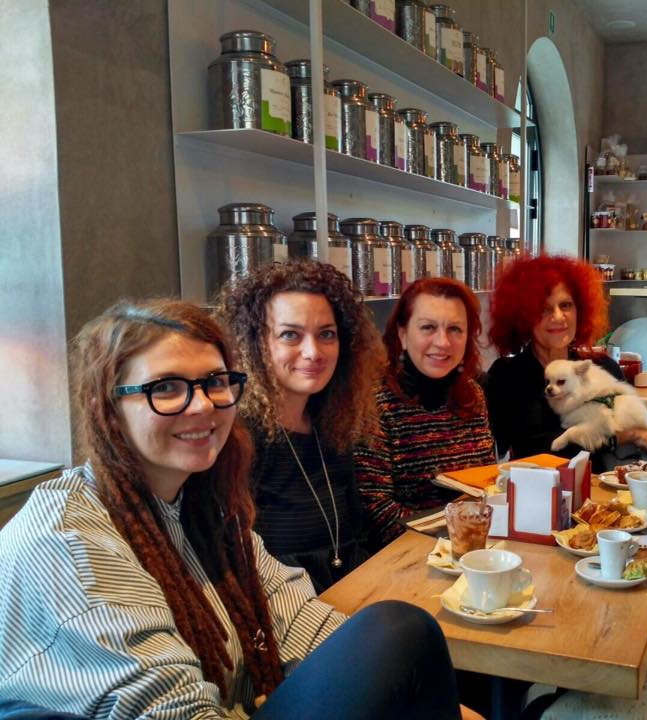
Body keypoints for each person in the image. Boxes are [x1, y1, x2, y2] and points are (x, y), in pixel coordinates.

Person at [0, 299, 466, 719]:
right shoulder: (68, 541)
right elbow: (169, 710)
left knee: (400, 639)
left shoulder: (203, 509)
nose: (202, 405)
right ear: (108, 410)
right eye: (167, 387)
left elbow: (299, 622)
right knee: (398, 629)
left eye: (215, 382)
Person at [218, 260, 384, 592]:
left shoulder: (334, 422)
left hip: (353, 591)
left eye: (326, 334)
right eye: (290, 335)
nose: (313, 352)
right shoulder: (237, 436)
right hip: (286, 608)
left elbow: (355, 533)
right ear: (254, 344)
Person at [484, 254, 647, 470]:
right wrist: (626, 436)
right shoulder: (507, 376)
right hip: (538, 487)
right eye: (544, 309)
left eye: (566, 305)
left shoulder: (603, 367)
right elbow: (538, 449)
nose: (558, 317)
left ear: (580, 310)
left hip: (604, 489)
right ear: (524, 317)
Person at [355, 278, 496, 549]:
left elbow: (485, 484)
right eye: (428, 327)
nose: (442, 342)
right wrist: (456, 536)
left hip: (471, 546)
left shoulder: (472, 395)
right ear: (402, 334)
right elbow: (376, 511)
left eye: (455, 329)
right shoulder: (373, 401)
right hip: (404, 555)